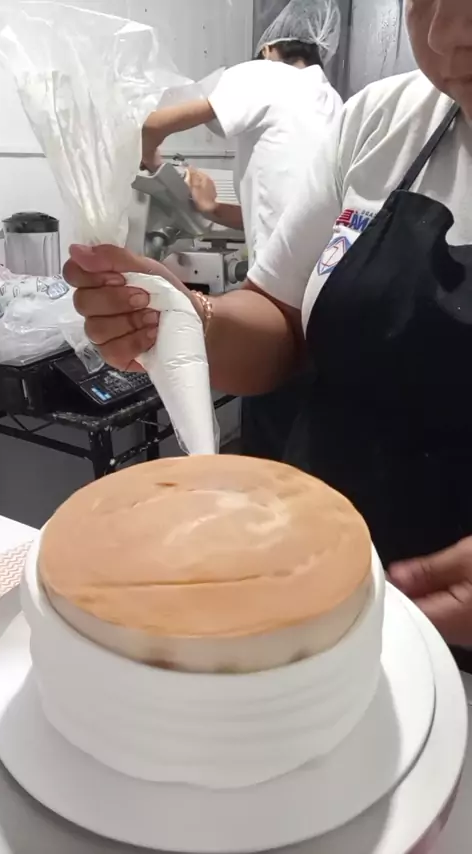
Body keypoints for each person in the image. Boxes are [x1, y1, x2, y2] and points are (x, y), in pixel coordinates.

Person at [66, 0, 472, 647]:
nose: (445, 33)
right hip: (306, 583)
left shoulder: (264, 80)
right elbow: (279, 317)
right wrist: (188, 321)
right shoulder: (380, 120)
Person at [141, 0, 342, 463]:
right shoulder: (332, 101)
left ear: (269, 47)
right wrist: (212, 210)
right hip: (330, 293)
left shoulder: (267, 74)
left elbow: (153, 126)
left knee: (269, 435)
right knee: (308, 439)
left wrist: (151, 160)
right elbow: (289, 216)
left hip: (281, 308)